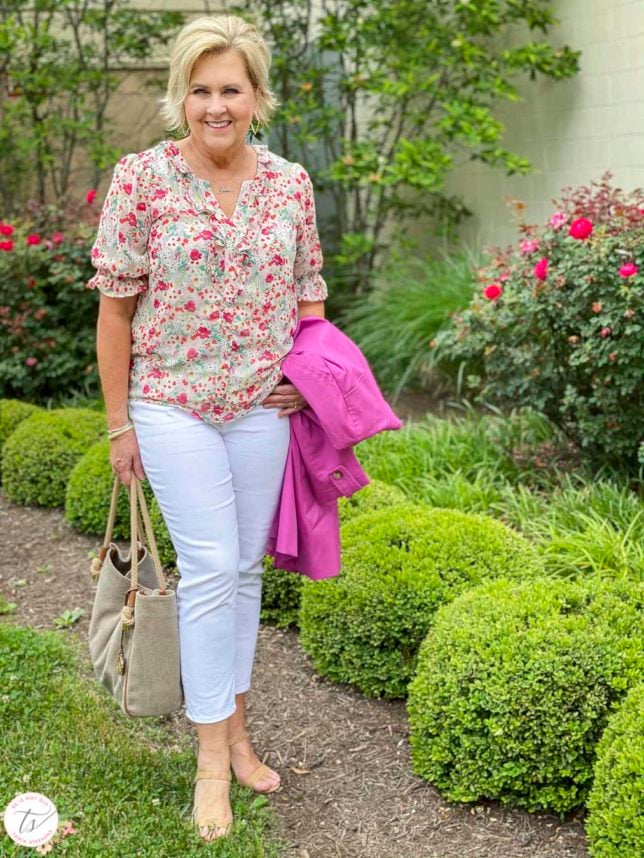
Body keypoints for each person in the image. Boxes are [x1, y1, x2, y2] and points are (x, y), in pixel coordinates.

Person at [88, 14, 328, 842]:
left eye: (231, 89)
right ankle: (208, 765)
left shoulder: (290, 184)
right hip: (172, 402)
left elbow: (309, 293)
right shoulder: (142, 179)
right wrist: (121, 424)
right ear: (180, 98)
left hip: (262, 406)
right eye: (201, 90)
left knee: (248, 573)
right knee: (213, 565)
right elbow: (114, 313)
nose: (216, 106)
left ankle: (236, 734)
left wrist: (307, 374)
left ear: (257, 97)